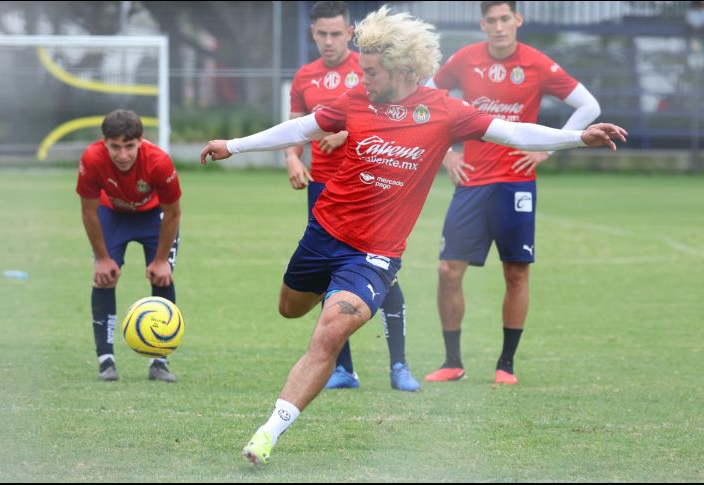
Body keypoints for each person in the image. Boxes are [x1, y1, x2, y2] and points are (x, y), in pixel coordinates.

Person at [200, 5, 625, 466]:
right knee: (290, 309)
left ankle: (268, 433)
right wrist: (234, 146)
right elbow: (301, 127)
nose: (362, 79)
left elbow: (515, 132)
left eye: (371, 71)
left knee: (330, 332)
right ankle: (331, 294)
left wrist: (577, 138)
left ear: (403, 71)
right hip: (323, 234)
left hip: (374, 254)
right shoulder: (355, 103)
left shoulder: (444, 111)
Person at [423, 0, 602, 386]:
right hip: (471, 181)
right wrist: (445, 152)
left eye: (506, 19)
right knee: (447, 271)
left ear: (518, 20)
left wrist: (548, 149)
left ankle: (506, 364)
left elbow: (589, 106)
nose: (500, 27)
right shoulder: (464, 60)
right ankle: (452, 362)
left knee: (516, 273)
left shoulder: (537, 63)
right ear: (482, 24)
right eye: (492, 20)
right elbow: (426, 102)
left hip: (515, 183)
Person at [286, 1, 419, 392]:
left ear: (350, 33)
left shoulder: (371, 70)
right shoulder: (304, 77)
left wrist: (346, 133)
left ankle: (399, 365)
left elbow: (392, 118)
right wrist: (292, 159)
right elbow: (296, 128)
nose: (329, 41)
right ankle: (343, 369)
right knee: (331, 277)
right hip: (323, 189)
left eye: (336, 33)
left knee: (384, 278)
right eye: (322, 34)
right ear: (313, 33)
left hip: (371, 190)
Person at [76, 109, 182, 382]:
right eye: (115, 147)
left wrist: (160, 261)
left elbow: (173, 213)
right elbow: (88, 211)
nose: (122, 155)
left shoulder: (159, 162)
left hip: (153, 217)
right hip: (113, 215)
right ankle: (105, 360)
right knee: (104, 277)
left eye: (129, 147)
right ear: (104, 142)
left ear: (141, 141)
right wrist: (101, 257)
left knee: (162, 276)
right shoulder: (91, 158)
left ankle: (160, 361)